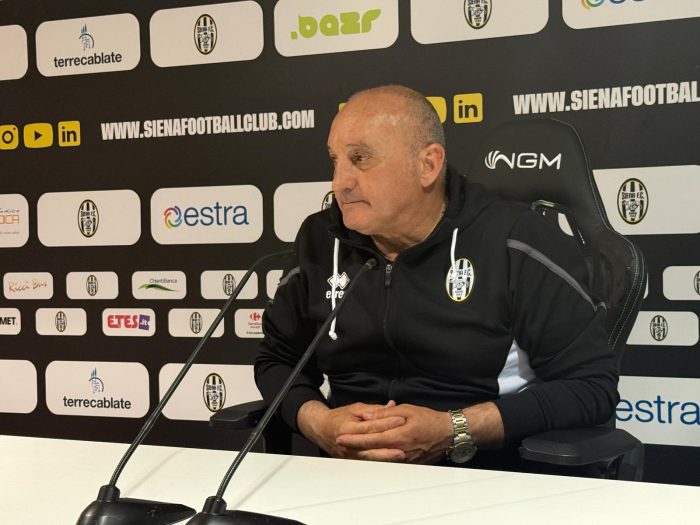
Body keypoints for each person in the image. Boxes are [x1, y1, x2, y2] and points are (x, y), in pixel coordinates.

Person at [255, 85, 618, 470]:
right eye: (335, 161)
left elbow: (590, 387)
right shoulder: (320, 238)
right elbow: (277, 359)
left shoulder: (514, 241)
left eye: (360, 159)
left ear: (427, 165)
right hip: (346, 474)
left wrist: (453, 429)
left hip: (484, 474)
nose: (340, 182)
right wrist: (319, 423)